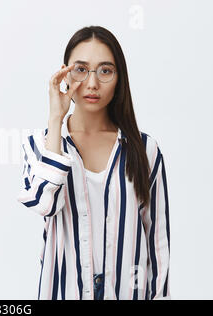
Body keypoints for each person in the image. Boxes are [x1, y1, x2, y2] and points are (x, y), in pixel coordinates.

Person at [16, 26, 170, 300]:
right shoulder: (40, 146)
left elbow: (157, 242)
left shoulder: (145, 150)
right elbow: (45, 205)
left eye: (105, 71)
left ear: (119, 78)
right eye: (81, 69)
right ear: (65, 75)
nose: (92, 83)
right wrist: (55, 120)